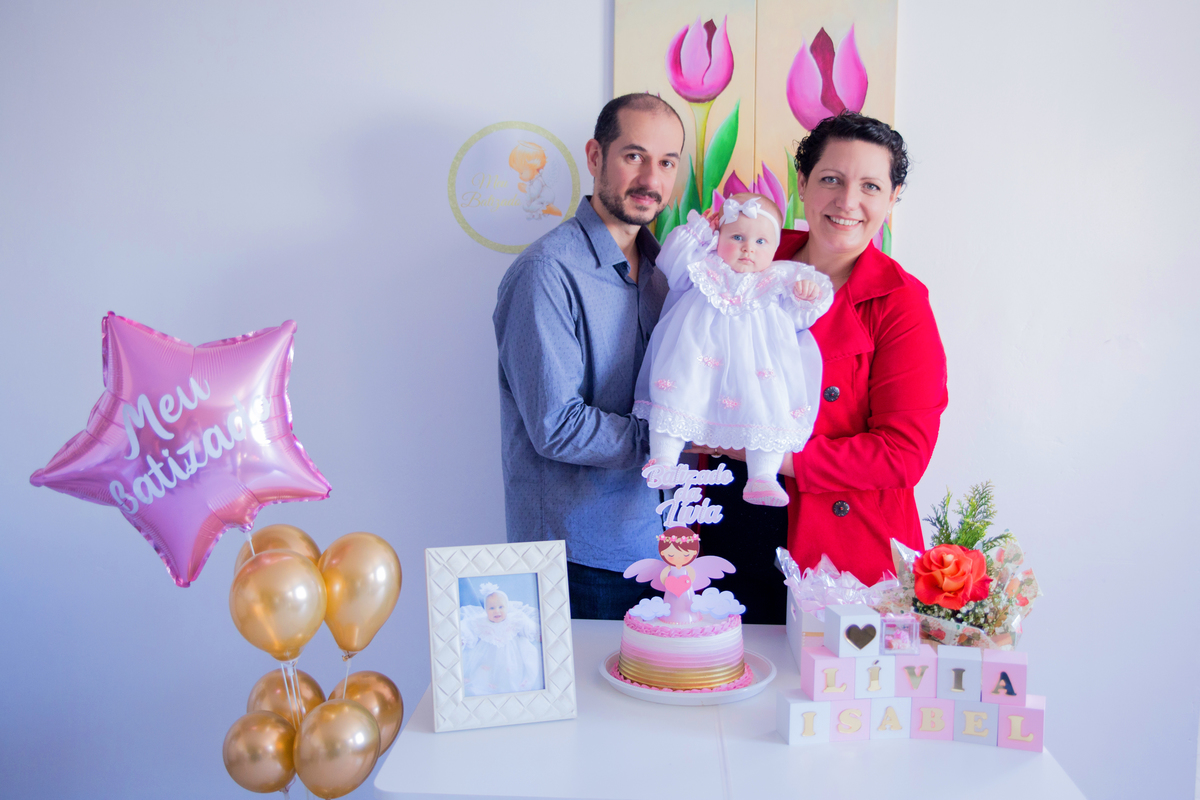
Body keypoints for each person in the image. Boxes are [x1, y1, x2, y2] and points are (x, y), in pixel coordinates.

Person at [699, 112, 948, 588]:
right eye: (831, 179)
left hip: (839, 542)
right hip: (723, 517)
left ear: (893, 198)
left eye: (871, 186)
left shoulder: (901, 302)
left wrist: (761, 450)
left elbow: (902, 454)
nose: (848, 201)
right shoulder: (745, 258)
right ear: (802, 183)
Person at [493, 94, 685, 619]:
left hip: (660, 549)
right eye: (634, 156)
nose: (651, 178)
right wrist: (672, 439)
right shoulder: (547, 273)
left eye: (667, 163)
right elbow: (557, 424)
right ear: (595, 157)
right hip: (579, 562)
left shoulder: (668, 275)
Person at [633, 192, 832, 506]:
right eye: (737, 236)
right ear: (719, 235)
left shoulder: (778, 278)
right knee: (676, 394)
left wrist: (805, 295)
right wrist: (699, 232)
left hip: (754, 371)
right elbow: (669, 262)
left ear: (776, 248)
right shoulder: (703, 267)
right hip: (695, 357)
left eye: (761, 242)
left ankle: (763, 477)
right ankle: (663, 459)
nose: (747, 248)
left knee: (766, 408)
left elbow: (799, 320)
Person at [459, 584, 543, 696]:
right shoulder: (481, 621)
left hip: (511, 655)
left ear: (507, 607)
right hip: (488, 656)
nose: (496, 611)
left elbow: (526, 626)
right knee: (484, 673)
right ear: (486, 610)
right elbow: (469, 627)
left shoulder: (515, 619)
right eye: (491, 608)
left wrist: (537, 634)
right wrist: (463, 638)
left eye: (501, 607)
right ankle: (487, 687)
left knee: (510, 672)